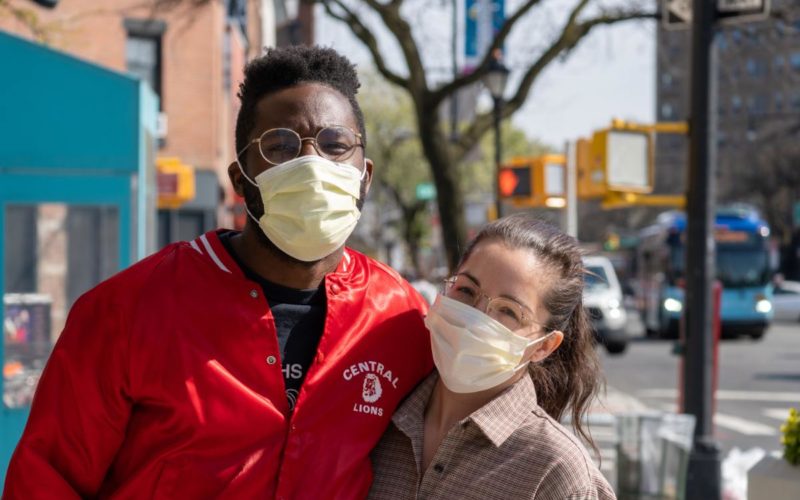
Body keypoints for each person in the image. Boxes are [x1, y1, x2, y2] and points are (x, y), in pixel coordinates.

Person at [4, 46, 432, 499]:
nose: (313, 166)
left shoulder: (400, 318)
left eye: (335, 145)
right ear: (240, 179)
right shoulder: (127, 310)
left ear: (364, 175)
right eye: (281, 146)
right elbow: (46, 480)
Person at [369, 213, 615, 500]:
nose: (475, 317)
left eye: (509, 311)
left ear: (544, 346)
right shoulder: (375, 416)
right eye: (466, 290)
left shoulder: (555, 472)